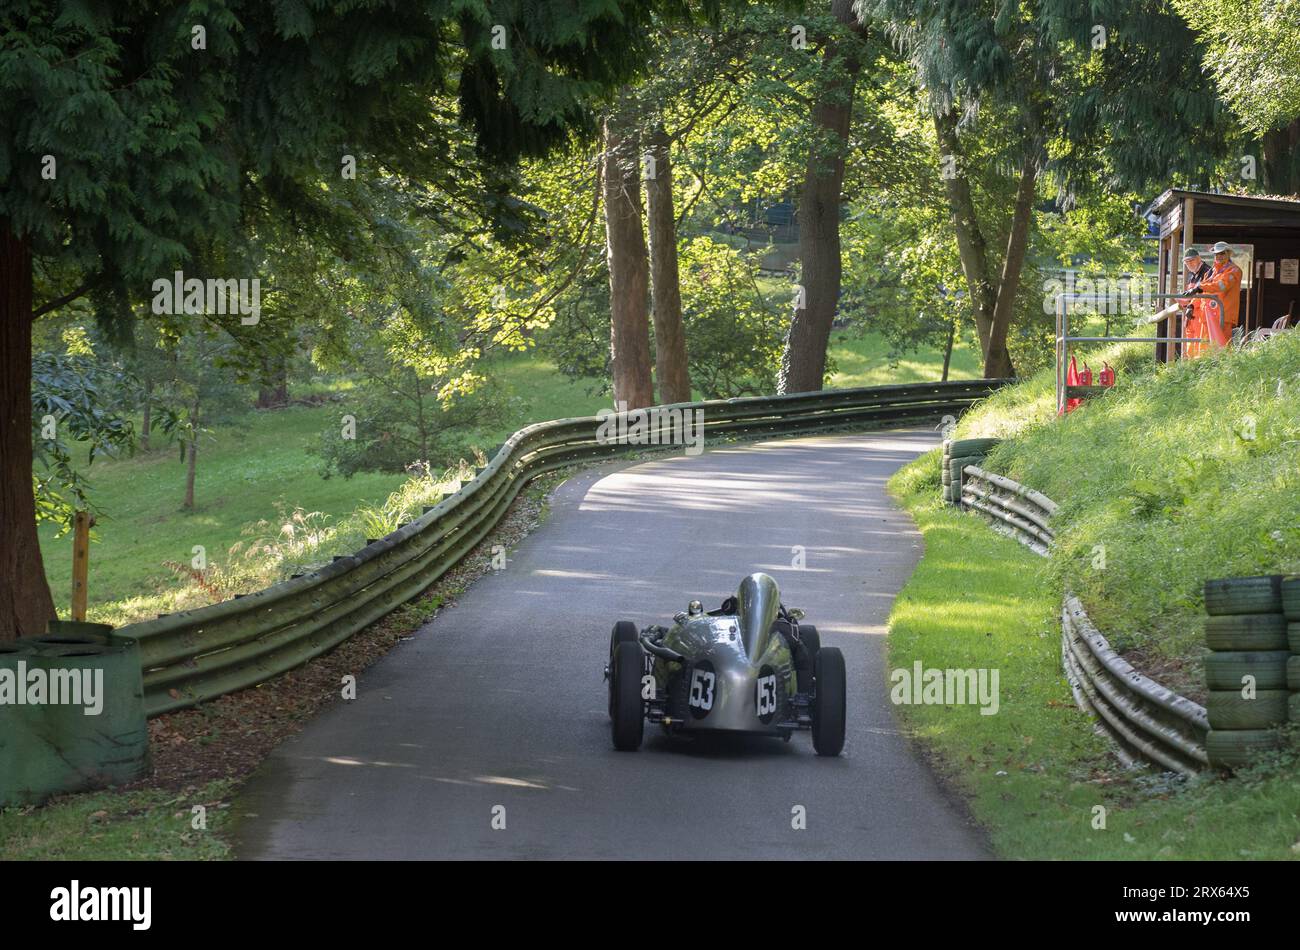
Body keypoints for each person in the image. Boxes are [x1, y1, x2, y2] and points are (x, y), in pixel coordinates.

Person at [1196, 241, 1243, 351]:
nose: (1219, 256)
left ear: (1228, 254)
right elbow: (1201, 289)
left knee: (1222, 349)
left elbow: (1221, 286)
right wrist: (1191, 305)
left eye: (1222, 253)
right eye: (1217, 254)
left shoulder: (1234, 270)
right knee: (1205, 350)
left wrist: (1199, 287)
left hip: (1223, 316)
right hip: (1207, 316)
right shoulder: (1211, 272)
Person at [1177, 247, 1213, 358]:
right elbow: (1191, 294)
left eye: (1191, 260)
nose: (1189, 264)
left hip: (1201, 315)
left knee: (1200, 348)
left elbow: (1204, 292)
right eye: (1187, 262)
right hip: (1191, 316)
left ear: (1199, 259)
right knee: (1190, 349)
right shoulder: (1192, 275)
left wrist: (1191, 305)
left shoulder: (1207, 271)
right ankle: (1191, 371)